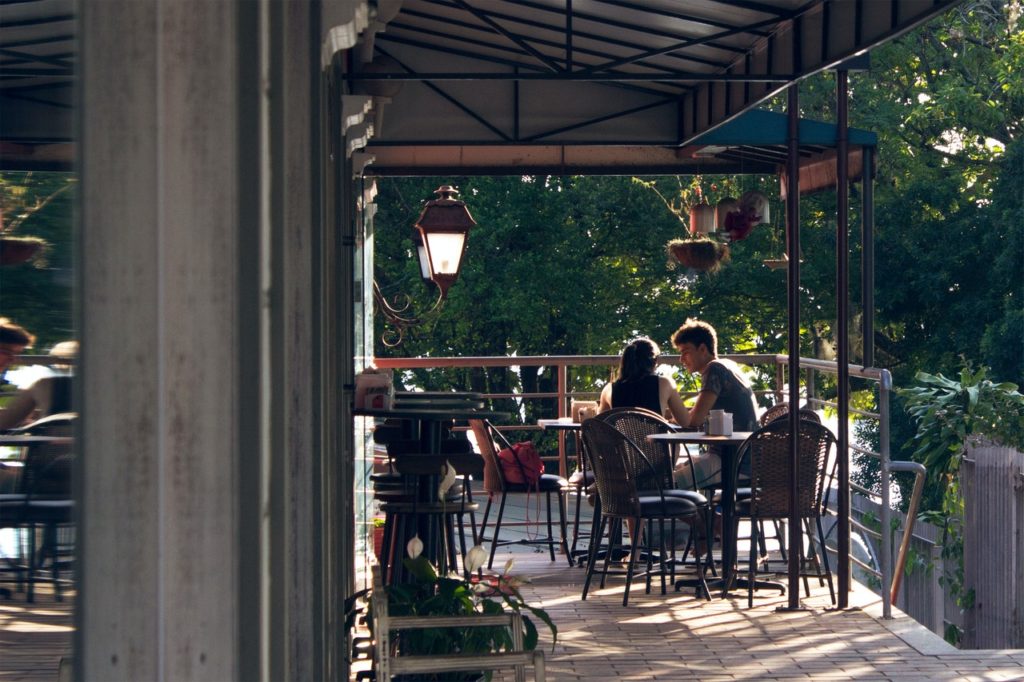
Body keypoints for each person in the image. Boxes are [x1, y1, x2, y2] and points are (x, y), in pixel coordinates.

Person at [670, 318, 758, 490]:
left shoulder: (714, 369)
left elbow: (694, 420)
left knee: (664, 485)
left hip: (732, 461)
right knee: (672, 475)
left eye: (685, 352)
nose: (681, 359)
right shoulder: (728, 366)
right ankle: (712, 518)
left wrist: (673, 416)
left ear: (702, 349)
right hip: (743, 457)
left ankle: (709, 518)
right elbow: (699, 412)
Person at [597, 337, 688, 424]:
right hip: (655, 440)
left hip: (621, 440)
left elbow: (600, 423)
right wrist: (667, 422)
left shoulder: (609, 389)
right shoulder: (665, 383)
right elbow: (685, 421)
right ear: (654, 362)